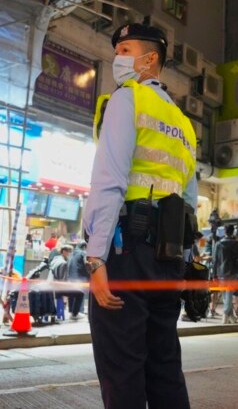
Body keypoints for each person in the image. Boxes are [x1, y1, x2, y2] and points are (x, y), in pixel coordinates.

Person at [82, 23, 197, 409]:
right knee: (164, 368)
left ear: (150, 60)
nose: (118, 58)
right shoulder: (183, 124)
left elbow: (110, 181)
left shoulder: (127, 99)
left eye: (126, 49)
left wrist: (96, 257)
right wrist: (182, 263)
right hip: (166, 260)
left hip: (126, 253)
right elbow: (189, 202)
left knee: (122, 371)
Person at [212, 224, 238, 324]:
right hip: (232, 271)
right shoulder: (236, 244)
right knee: (229, 294)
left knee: (226, 294)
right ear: (232, 232)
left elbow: (215, 260)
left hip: (220, 272)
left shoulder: (218, 244)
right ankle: (226, 315)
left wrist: (214, 275)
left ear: (224, 232)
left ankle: (230, 316)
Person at [48, 244, 73, 320]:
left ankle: (63, 309)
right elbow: (62, 280)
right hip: (57, 288)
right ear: (64, 252)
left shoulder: (55, 259)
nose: (70, 254)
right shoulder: (63, 263)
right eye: (69, 252)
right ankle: (72, 313)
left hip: (50, 285)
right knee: (77, 293)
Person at [66, 241, 88, 320]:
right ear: (84, 246)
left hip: (70, 278)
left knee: (74, 295)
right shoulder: (83, 253)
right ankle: (75, 314)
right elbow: (86, 264)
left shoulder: (72, 254)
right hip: (79, 278)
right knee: (80, 294)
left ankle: (72, 312)